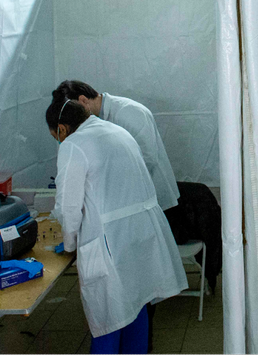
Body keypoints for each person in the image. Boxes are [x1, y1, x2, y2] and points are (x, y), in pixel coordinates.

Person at [46, 98, 187, 355]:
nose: (58, 141)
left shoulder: (73, 145)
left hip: (110, 242)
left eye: (55, 135)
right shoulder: (118, 131)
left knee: (108, 318)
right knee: (137, 304)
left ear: (62, 129)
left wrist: (69, 244)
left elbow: (68, 207)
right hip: (140, 236)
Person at [52, 80, 180, 211]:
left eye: (73, 111)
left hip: (151, 198)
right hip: (130, 200)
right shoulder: (97, 121)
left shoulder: (130, 112)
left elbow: (147, 159)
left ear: (83, 100)